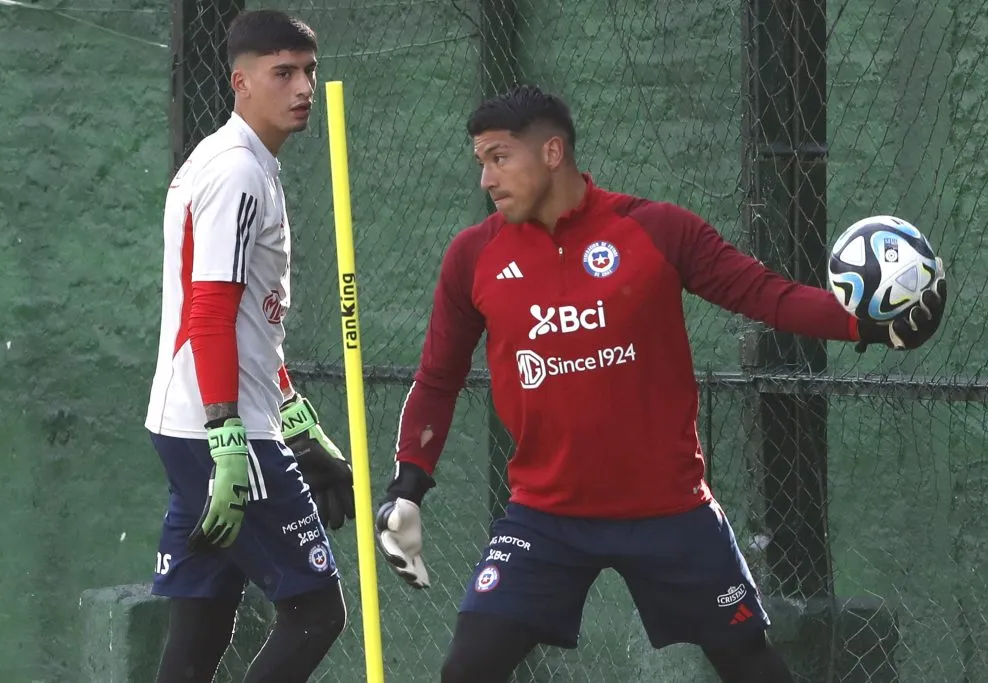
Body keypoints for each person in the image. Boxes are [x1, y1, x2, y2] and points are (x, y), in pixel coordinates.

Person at [374, 84, 946, 683]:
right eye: (481, 162)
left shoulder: (655, 229)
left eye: (499, 158)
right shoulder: (473, 256)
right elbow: (438, 377)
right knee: (468, 668)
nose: (487, 179)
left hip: (669, 508)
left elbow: (764, 294)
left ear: (551, 152)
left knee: (747, 661)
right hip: (544, 514)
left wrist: (869, 326)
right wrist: (408, 485)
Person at [144, 9, 356, 682]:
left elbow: (251, 325)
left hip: (194, 425)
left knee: (202, 614)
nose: (302, 88)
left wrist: (296, 416)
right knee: (317, 612)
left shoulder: (240, 162)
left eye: (310, 72)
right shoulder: (238, 170)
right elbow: (209, 311)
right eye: (283, 73)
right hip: (222, 433)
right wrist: (230, 438)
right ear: (241, 82)